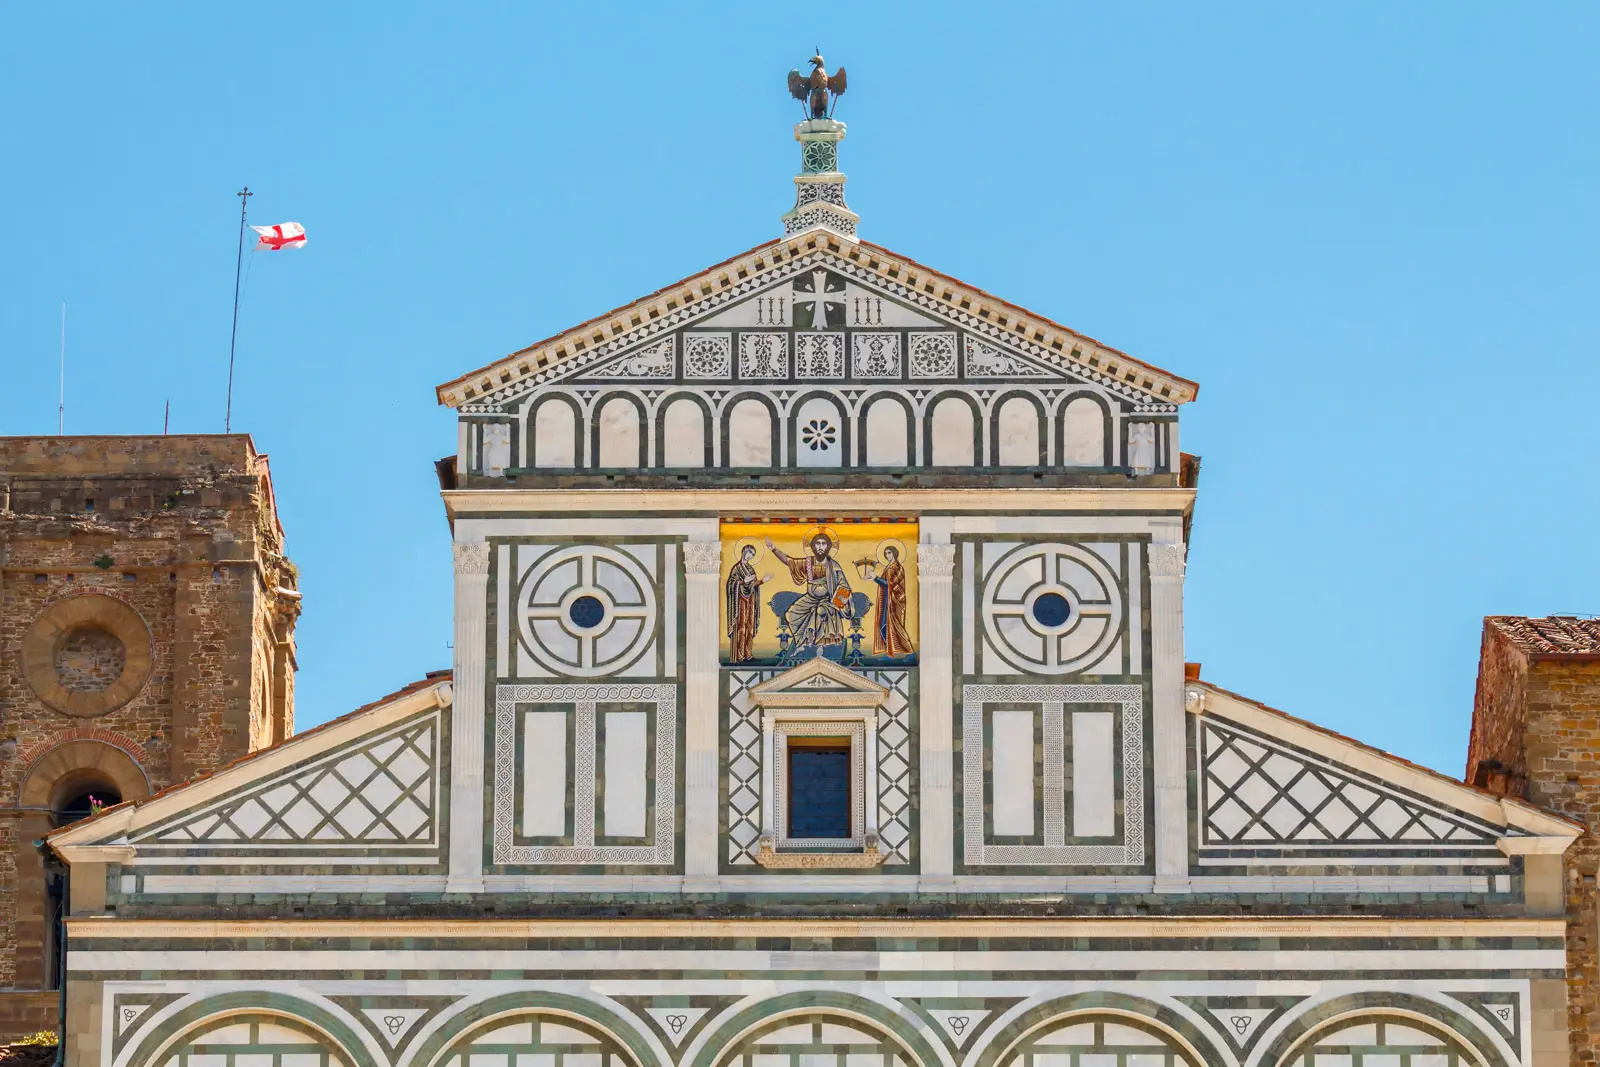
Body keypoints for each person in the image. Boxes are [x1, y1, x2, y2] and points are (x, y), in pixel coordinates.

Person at [765, 531, 852, 651]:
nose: (820, 547)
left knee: (821, 611)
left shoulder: (833, 565)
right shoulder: (808, 563)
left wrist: (840, 600)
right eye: (817, 544)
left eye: (823, 544)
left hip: (827, 599)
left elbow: (843, 585)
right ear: (813, 547)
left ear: (828, 547)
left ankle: (820, 644)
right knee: (790, 615)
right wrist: (774, 549)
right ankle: (803, 642)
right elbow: (790, 562)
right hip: (810, 598)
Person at [725, 544, 771, 662]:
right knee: (741, 627)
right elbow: (730, 584)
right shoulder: (737, 568)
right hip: (739, 600)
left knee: (749, 625)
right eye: (749, 552)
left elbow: (752, 585)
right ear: (743, 551)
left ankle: (748, 654)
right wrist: (741, 582)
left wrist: (762, 581)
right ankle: (740, 656)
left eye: (752, 554)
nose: (750, 555)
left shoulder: (751, 569)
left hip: (750, 600)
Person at [870, 545, 914, 657]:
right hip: (886, 600)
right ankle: (889, 651)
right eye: (886, 553)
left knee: (896, 627)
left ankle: (910, 652)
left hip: (895, 601)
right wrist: (873, 578)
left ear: (894, 553)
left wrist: (875, 578)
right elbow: (885, 583)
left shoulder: (897, 568)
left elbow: (891, 584)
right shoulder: (888, 567)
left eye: (889, 553)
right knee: (883, 626)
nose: (887, 555)